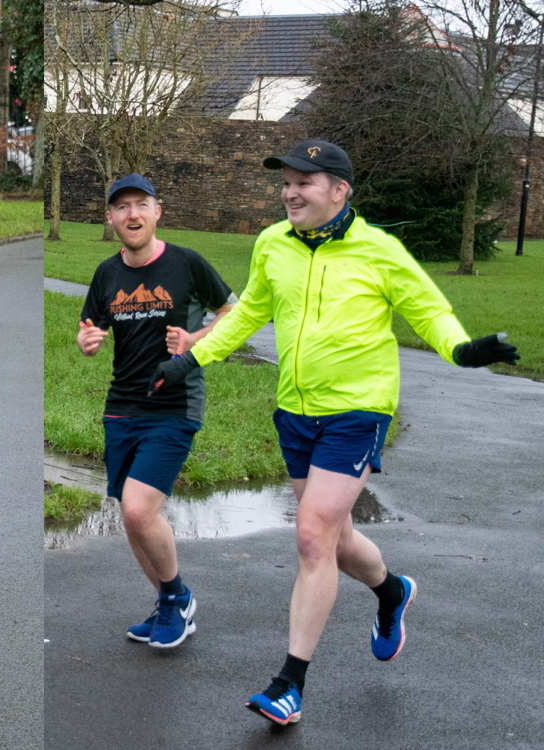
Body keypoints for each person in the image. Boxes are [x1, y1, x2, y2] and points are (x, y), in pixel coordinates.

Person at [150, 140, 519, 725]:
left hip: (358, 410)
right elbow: (251, 312)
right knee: (336, 541)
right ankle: (392, 591)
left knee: (310, 535)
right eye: (286, 183)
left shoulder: (379, 250)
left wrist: (461, 350)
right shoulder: (273, 243)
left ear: (339, 190)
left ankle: (289, 684)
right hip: (295, 411)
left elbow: (428, 310)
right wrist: (194, 358)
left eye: (304, 182)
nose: (290, 193)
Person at [77, 174, 237, 649]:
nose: (133, 214)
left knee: (138, 508)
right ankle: (171, 603)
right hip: (120, 407)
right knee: (132, 517)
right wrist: (87, 341)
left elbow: (234, 314)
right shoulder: (107, 273)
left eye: (141, 204)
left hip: (173, 402)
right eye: (122, 207)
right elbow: (90, 327)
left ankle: (176, 599)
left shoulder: (187, 263)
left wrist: (194, 340)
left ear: (157, 212)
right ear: (111, 217)